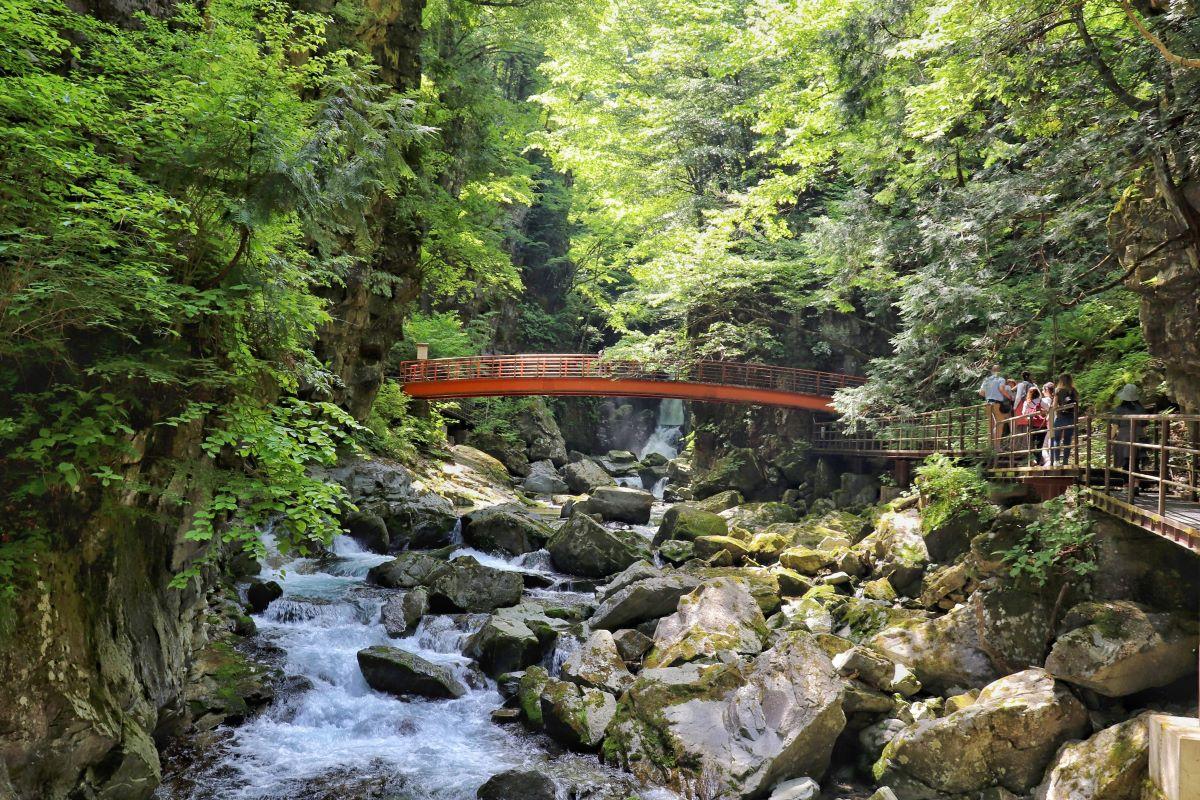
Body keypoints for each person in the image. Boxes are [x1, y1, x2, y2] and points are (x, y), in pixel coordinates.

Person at [1110, 383, 1148, 488]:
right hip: (1138, 435)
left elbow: (1115, 426)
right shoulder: (1141, 409)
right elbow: (1145, 427)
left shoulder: (1119, 409)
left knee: (1125, 461)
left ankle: (1127, 484)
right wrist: (1144, 438)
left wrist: (1111, 438)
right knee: (1136, 460)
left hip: (1124, 436)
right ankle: (1135, 482)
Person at [978, 365, 1014, 449]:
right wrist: (1009, 397)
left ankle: (990, 446)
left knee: (990, 425)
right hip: (997, 404)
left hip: (988, 404)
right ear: (999, 372)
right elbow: (1001, 389)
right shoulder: (1000, 379)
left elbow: (981, 393)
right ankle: (997, 447)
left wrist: (989, 394)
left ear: (991, 371)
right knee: (999, 424)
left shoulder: (986, 380)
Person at [1051, 373, 1080, 466]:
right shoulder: (1074, 391)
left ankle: (1056, 461)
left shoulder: (1058, 390)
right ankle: (1065, 461)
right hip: (1071, 418)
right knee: (1067, 440)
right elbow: (1077, 406)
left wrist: (1060, 408)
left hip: (1060, 417)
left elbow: (1054, 406)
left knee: (1057, 439)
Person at [1020, 387, 1047, 465]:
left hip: (1032, 425)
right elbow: (1048, 408)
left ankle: (1032, 461)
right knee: (1040, 444)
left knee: (1031, 444)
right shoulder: (1040, 401)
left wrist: (1028, 417)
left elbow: (1023, 413)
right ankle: (1039, 461)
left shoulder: (1027, 403)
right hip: (1042, 425)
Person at [1040, 381, 1056, 465]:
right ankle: (1051, 461)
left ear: (1046, 390)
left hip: (1051, 424)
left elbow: (1038, 403)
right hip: (1056, 423)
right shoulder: (1055, 399)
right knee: (1049, 444)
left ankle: (1049, 461)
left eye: (1043, 390)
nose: (1042, 392)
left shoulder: (1046, 400)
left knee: (1046, 446)